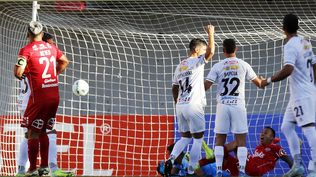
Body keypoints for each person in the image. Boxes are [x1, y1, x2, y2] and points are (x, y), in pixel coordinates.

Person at [261, 13, 316, 177]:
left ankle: (314, 169)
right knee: (286, 127)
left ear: (283, 28)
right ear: (297, 27)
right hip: (299, 95)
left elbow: (288, 69)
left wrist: (268, 80)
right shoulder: (305, 42)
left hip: (302, 95)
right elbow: (314, 63)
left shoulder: (290, 45)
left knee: (308, 129)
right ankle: (298, 165)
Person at [14, 21, 70, 177]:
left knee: (35, 133)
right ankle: (38, 167)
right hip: (46, 97)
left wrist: (23, 72)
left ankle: (34, 169)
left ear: (28, 34)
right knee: (41, 131)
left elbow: (18, 72)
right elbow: (65, 60)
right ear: (42, 34)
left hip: (36, 97)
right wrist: (54, 74)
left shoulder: (27, 51)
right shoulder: (50, 49)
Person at [204, 38, 264, 176]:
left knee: (220, 139)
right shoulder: (244, 64)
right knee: (241, 140)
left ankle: (219, 170)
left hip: (223, 105)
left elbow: (206, 86)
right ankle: (242, 171)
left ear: (223, 51)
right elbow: (259, 83)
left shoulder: (217, 66)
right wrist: (265, 81)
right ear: (236, 49)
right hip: (238, 105)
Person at [165, 24, 215, 176]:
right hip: (194, 105)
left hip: (181, 105)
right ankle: (192, 168)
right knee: (198, 139)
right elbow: (212, 51)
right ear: (197, 50)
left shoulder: (180, 65)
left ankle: (172, 159)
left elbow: (174, 88)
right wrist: (211, 33)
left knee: (185, 138)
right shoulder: (196, 62)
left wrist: (177, 102)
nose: (205, 52)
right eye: (203, 50)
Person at [16, 32, 55, 177]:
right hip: (30, 101)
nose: (50, 46)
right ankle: (24, 169)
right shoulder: (34, 58)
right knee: (30, 135)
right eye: (50, 43)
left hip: (33, 100)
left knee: (41, 132)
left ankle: (40, 167)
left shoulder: (33, 57)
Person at [199, 127, 293, 177]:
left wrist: (295, 170)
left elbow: (287, 158)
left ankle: (211, 154)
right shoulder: (259, 147)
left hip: (255, 169)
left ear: (272, 137)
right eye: (262, 132)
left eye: (266, 133)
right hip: (246, 167)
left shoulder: (275, 147)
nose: (262, 134)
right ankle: (198, 165)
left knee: (237, 144)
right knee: (223, 159)